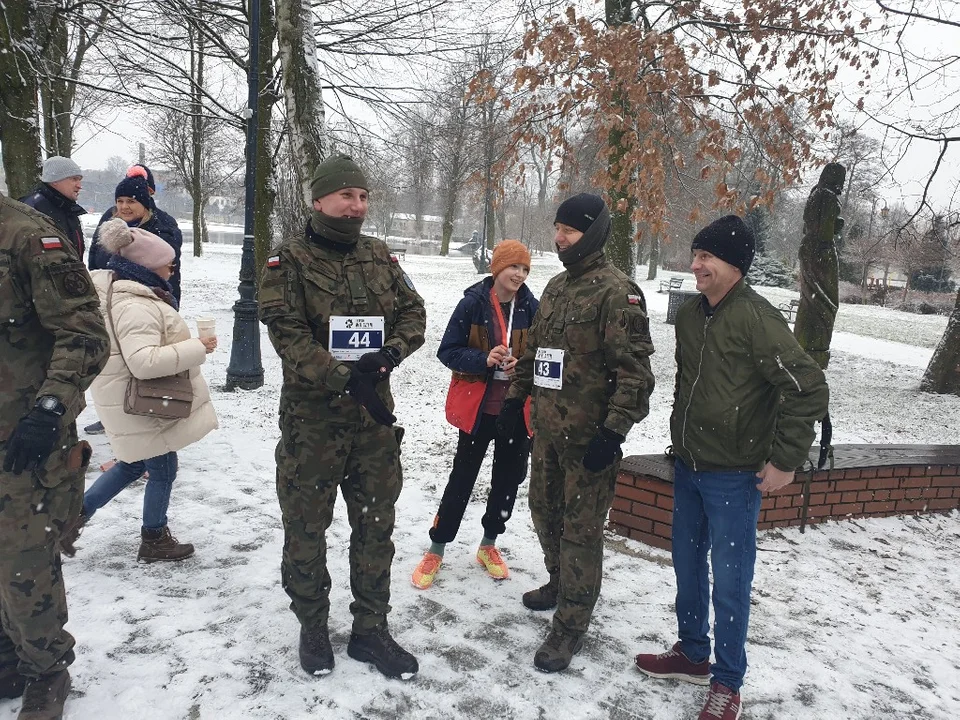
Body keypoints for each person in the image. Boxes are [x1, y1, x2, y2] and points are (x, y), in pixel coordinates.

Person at [633, 215, 829, 720]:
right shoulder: (692, 316)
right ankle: (693, 653)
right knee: (687, 567)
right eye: (696, 255)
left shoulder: (758, 320)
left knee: (732, 580)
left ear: (734, 266)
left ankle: (728, 682)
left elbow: (807, 387)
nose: (696, 265)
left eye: (707, 258)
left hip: (735, 477)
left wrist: (786, 459)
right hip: (690, 467)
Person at [258, 154, 427, 680]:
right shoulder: (288, 261)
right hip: (313, 427)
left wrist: (389, 355)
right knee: (306, 530)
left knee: (376, 529)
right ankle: (312, 626)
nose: (357, 206)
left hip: (373, 426)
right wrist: (341, 376)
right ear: (319, 200)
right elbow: (287, 334)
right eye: (346, 196)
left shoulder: (380, 256)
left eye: (363, 197)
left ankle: (370, 630)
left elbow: (414, 313)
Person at [497, 193, 656, 673]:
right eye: (558, 227)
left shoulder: (618, 292)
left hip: (590, 442)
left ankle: (571, 624)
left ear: (594, 232)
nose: (559, 237)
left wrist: (613, 432)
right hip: (546, 433)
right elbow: (535, 355)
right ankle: (559, 582)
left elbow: (635, 375)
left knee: (581, 531)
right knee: (544, 514)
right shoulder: (557, 288)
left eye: (569, 230)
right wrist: (513, 402)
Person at [0, 191, 109, 719]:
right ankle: (6, 654)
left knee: (23, 563)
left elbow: (85, 333)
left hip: (24, 440)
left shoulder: (27, 236)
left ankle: (46, 670)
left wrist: (48, 409)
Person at [60, 218, 218, 563]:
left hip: (129, 400)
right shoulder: (136, 305)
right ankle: (154, 539)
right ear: (146, 266)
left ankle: (71, 520)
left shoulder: (129, 292)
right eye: (168, 262)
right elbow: (143, 362)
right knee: (162, 468)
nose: (172, 267)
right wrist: (197, 347)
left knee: (132, 465)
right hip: (142, 402)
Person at [411, 239, 538, 590]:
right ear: (497, 268)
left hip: (516, 410)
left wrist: (521, 365)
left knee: (507, 482)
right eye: (514, 267)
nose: (519, 274)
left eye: (525, 269)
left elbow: (542, 356)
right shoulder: (473, 304)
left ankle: (488, 545)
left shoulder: (532, 307)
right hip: (479, 411)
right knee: (462, 480)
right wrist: (482, 359)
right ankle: (437, 547)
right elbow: (447, 351)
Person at [84, 168, 183, 437]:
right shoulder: (110, 222)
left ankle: (148, 420)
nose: (124, 207)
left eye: (131, 201)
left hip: (144, 308)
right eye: (120, 201)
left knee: (142, 368)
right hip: (111, 304)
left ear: (146, 201)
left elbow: (167, 271)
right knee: (113, 366)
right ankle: (113, 418)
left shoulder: (162, 226)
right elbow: (95, 257)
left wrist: (167, 305)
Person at [18, 155, 86, 256]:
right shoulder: (30, 208)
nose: (79, 185)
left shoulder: (69, 210)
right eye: (74, 179)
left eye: (80, 179)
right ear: (55, 180)